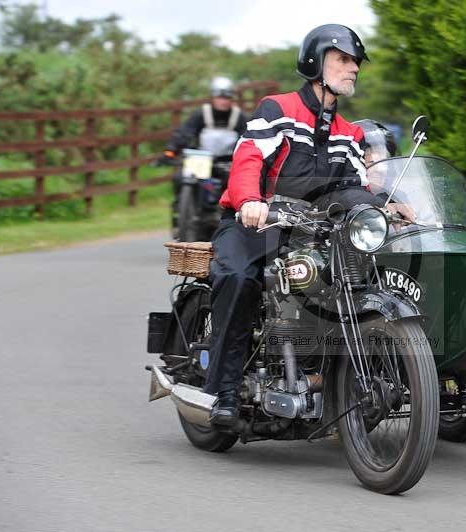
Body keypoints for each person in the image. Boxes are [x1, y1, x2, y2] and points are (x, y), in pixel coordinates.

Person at [204, 24, 383, 426]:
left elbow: (353, 187)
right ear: (315, 62)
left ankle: (321, 374)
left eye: (355, 62)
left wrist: (380, 209)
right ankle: (226, 391)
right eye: (343, 59)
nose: (352, 68)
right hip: (257, 225)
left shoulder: (348, 132)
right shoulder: (278, 110)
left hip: (309, 233)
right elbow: (248, 158)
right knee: (238, 277)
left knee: (357, 277)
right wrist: (250, 200)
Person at [159, 76, 248, 235]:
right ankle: (180, 215)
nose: (223, 101)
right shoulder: (201, 114)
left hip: (228, 161)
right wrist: (170, 151)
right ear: (213, 97)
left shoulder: (239, 117)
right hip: (202, 159)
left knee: (235, 185)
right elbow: (185, 133)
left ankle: (231, 222)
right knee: (180, 178)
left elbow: (247, 138)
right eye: (220, 97)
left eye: (227, 97)